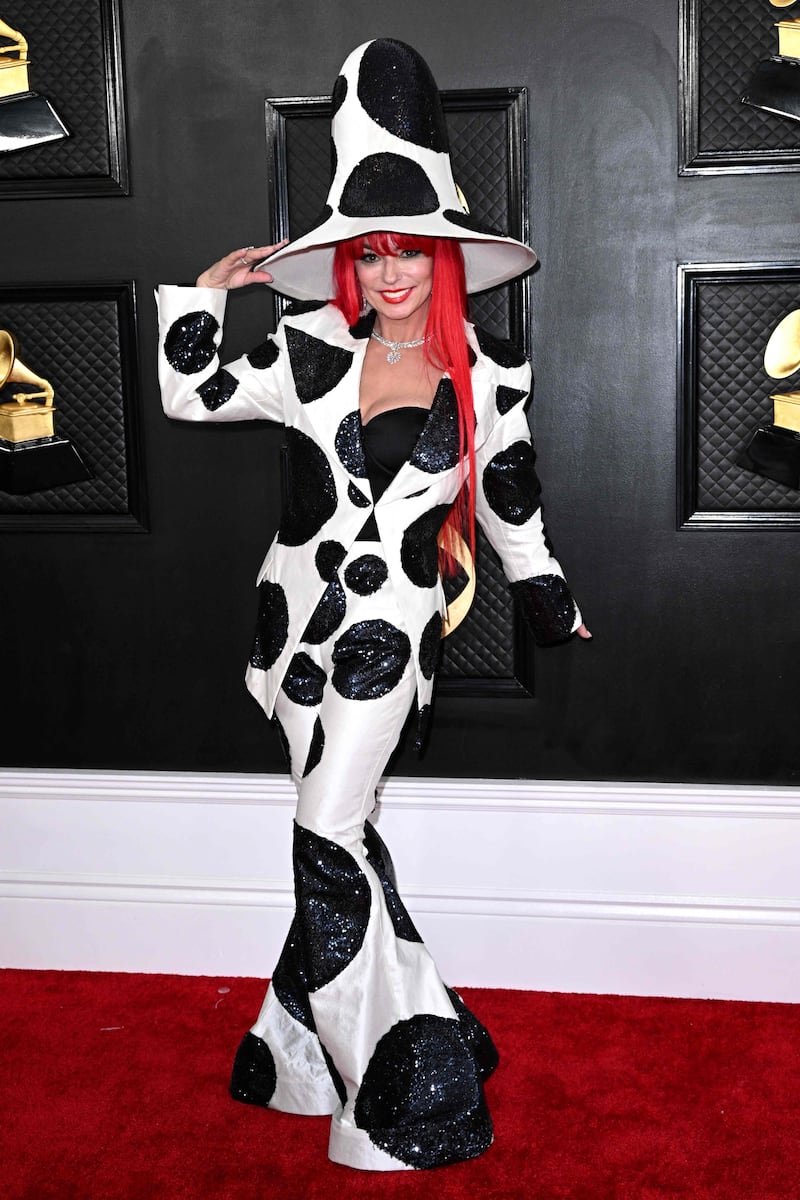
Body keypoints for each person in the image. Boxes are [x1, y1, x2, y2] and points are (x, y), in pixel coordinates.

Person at [157, 38, 590, 1173]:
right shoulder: (307, 348)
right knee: (340, 840)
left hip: (389, 640)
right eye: (372, 251)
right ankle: (303, 1057)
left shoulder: (489, 370)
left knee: (324, 834)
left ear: (444, 259)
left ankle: (401, 1089)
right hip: (290, 637)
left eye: (409, 252)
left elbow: (506, 497)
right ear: (348, 260)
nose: (392, 272)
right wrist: (205, 294)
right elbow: (191, 396)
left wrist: (548, 601)